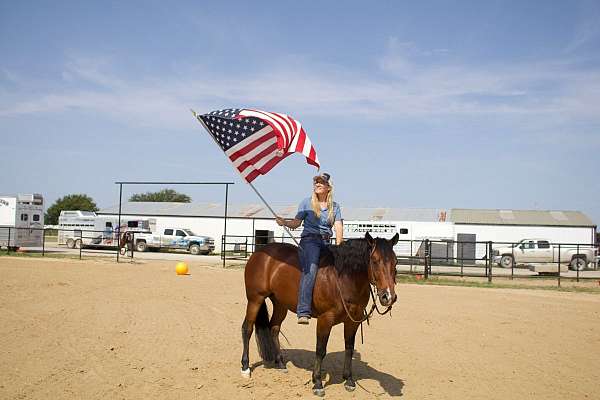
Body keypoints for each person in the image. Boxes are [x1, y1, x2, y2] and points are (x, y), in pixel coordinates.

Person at [276, 172, 343, 324]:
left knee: (338, 268)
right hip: (310, 241)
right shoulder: (306, 203)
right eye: (316, 182)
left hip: (327, 241)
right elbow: (296, 223)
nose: (317, 185)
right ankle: (303, 310)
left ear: (328, 187)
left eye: (321, 182)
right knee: (311, 269)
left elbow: (338, 226)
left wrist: (339, 246)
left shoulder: (335, 206)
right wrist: (285, 222)